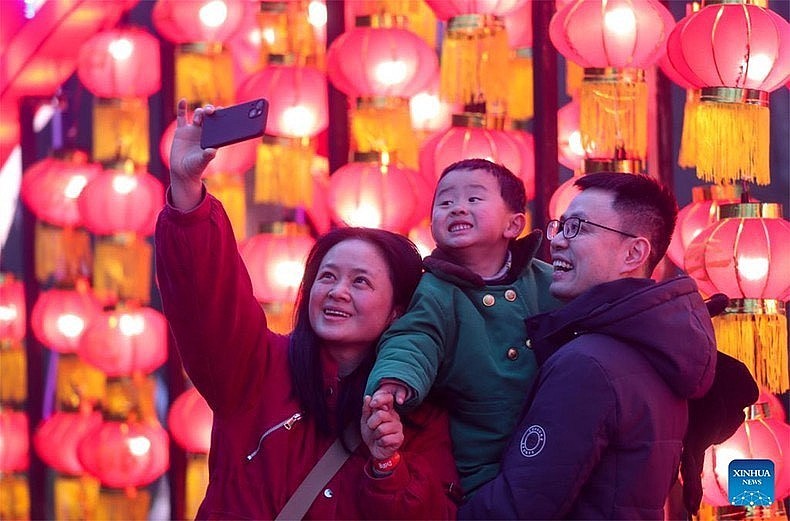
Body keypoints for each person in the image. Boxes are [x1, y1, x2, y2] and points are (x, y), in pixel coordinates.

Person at [155, 99, 460, 519]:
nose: (337, 292)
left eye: (361, 282)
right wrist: (186, 190)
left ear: (397, 310)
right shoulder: (256, 370)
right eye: (328, 276)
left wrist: (387, 464)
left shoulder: (416, 409)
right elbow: (207, 298)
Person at [459, 172, 718, 520]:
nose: (559, 242)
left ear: (634, 253)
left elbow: (518, 507)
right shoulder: (657, 347)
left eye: (578, 227)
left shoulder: (588, 364)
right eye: (560, 227)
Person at [365, 158, 562, 496]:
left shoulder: (546, 280)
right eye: (445, 202)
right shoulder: (436, 290)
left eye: (473, 199)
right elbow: (415, 338)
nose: (457, 208)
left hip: (554, 448)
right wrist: (397, 377)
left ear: (513, 225)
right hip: (481, 466)